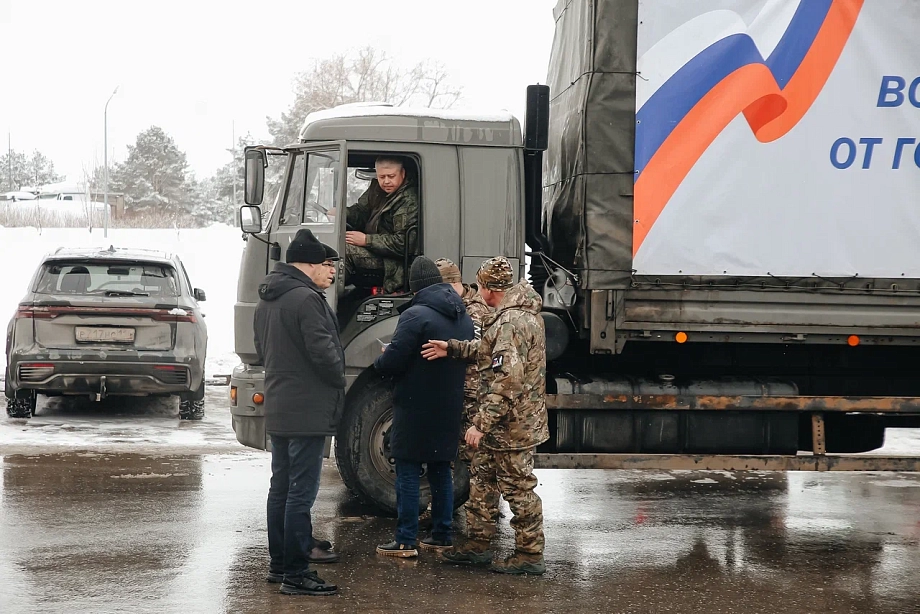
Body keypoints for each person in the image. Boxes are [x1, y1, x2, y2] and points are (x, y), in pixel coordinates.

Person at [421, 257, 549, 575]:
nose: (478, 292)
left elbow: (508, 379)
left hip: (513, 425)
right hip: (504, 424)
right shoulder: (512, 316)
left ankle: (530, 555)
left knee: (518, 488)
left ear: (490, 289)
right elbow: (487, 351)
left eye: (480, 287)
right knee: (482, 481)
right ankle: (478, 546)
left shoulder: (511, 323)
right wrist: (452, 348)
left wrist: (480, 424)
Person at [253, 228, 344, 596]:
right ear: (307, 264)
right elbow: (323, 352)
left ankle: (279, 565)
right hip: (307, 407)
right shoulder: (306, 299)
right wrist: (338, 375)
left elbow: (261, 349)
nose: (330, 271)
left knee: (281, 488)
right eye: (325, 263)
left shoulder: (268, 298)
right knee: (300, 493)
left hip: (279, 404)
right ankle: (296, 574)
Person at [374, 256, 474, 558]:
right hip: (448, 404)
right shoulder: (462, 313)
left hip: (415, 404)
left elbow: (394, 361)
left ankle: (405, 540)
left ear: (414, 286)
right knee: (441, 469)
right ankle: (441, 535)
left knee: (406, 467)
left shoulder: (416, 315)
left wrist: (382, 358)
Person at [434, 258, 493, 467]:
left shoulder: (475, 311)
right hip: (462, 389)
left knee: (473, 454)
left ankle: (479, 498)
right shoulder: (460, 304)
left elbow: (478, 350)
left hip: (473, 392)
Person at [343, 156, 419, 294]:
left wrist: (366, 240)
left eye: (391, 176)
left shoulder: (408, 200)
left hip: (395, 264)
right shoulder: (377, 190)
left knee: (344, 251)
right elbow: (361, 211)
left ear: (403, 173)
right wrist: (342, 213)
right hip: (379, 253)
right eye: (381, 176)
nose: (386, 181)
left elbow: (403, 244)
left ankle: (326, 302)